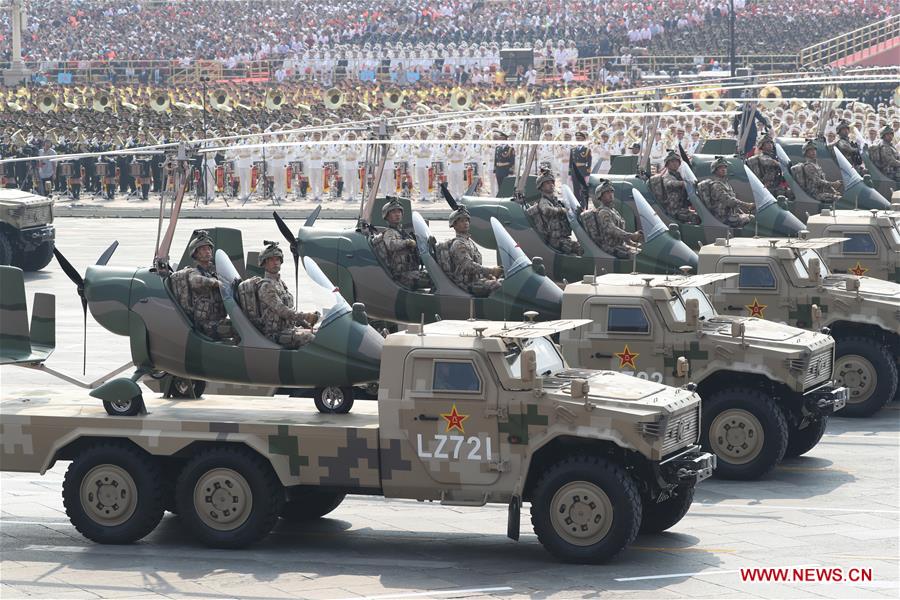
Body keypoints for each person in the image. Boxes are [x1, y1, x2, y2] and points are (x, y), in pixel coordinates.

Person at [171, 231, 233, 341]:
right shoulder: (193, 272)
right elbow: (195, 281)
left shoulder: (214, 271)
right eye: (203, 249)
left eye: (209, 249)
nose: (208, 252)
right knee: (236, 330)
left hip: (218, 320)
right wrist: (214, 282)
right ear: (195, 253)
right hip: (206, 325)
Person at [255, 241, 318, 349]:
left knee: (320, 334)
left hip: (288, 330)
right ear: (264, 263)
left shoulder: (280, 283)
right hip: (275, 334)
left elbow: (290, 309)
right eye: (271, 259)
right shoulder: (266, 286)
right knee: (309, 338)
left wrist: (306, 325)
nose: (275, 262)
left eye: (278, 259)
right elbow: (283, 311)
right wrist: (306, 316)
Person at [444, 206, 503, 297]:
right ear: (454, 225)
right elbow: (469, 265)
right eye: (461, 221)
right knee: (497, 286)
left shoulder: (469, 242)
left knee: (505, 281)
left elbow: (476, 265)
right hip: (466, 284)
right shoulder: (458, 244)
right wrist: (491, 270)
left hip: (475, 280)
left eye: (467, 220)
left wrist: (488, 275)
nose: (466, 223)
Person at [375, 198, 432, 289]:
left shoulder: (402, 232)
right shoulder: (389, 232)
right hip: (402, 275)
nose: (397, 214)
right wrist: (407, 242)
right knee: (432, 280)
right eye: (393, 212)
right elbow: (391, 245)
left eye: (399, 212)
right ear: (387, 216)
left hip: (411, 271)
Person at [581, 179, 642, 258]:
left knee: (642, 254)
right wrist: (631, 235)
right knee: (638, 258)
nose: (611, 195)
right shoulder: (603, 212)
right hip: (610, 248)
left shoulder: (613, 211)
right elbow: (612, 229)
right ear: (600, 196)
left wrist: (631, 242)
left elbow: (620, 231)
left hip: (619, 246)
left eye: (612, 192)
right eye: (607, 193)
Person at [528, 170, 582, 255]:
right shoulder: (544, 201)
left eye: (552, 182)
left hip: (563, 237)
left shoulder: (555, 201)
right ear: (541, 187)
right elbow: (546, 210)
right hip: (555, 240)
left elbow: (567, 206)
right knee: (580, 249)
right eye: (547, 183)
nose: (551, 185)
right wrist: (562, 210)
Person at [701, 157, 755, 227]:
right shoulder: (716, 185)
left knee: (752, 218)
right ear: (715, 171)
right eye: (720, 168)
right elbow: (729, 201)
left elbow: (734, 203)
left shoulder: (726, 184)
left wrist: (742, 212)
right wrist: (747, 205)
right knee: (746, 219)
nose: (723, 169)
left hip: (730, 215)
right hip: (722, 217)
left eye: (725, 167)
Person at [650, 150, 700, 224]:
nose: (675, 164)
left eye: (676, 161)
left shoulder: (679, 175)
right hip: (674, 210)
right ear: (667, 164)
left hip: (682, 208)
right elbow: (669, 183)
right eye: (672, 162)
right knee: (696, 218)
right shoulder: (667, 176)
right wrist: (682, 183)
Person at [745, 134, 793, 200]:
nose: (770, 144)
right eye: (767, 143)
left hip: (775, 187)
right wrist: (778, 163)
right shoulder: (761, 157)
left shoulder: (774, 157)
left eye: (771, 142)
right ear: (762, 146)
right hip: (766, 188)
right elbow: (765, 161)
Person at [569, 130, 592, 209]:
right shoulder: (573, 150)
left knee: (583, 189)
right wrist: (570, 173)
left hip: (583, 171)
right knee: (576, 188)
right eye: (577, 138)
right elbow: (571, 162)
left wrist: (588, 174)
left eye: (580, 138)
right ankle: (576, 203)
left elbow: (589, 162)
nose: (578, 140)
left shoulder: (587, 150)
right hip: (574, 171)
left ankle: (583, 204)